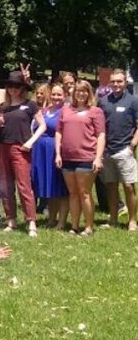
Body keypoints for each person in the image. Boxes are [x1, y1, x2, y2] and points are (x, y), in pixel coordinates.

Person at [0, 70, 44, 236]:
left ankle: (31, 222)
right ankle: (11, 220)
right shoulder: (3, 107)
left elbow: (42, 126)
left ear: (22, 88)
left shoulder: (30, 105)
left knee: (24, 185)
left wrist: (31, 141)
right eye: (10, 86)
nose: (13, 89)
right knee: (5, 186)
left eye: (17, 86)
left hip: (20, 148)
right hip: (3, 147)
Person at [56, 79, 105, 236]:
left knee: (84, 192)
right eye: (78, 91)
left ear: (89, 93)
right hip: (67, 157)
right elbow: (59, 132)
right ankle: (75, 226)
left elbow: (101, 135)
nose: (81, 94)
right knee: (73, 193)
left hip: (86, 156)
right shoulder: (65, 110)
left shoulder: (96, 111)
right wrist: (58, 153)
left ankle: (89, 226)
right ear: (73, 93)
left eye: (84, 91)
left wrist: (98, 158)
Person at [98, 69, 138, 231]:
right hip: (107, 151)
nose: (116, 84)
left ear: (125, 82)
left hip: (125, 150)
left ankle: (133, 221)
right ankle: (113, 219)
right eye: (113, 81)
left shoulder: (133, 101)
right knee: (111, 186)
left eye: (119, 81)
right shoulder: (103, 101)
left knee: (129, 186)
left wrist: (132, 146)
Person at [31, 84, 68, 230]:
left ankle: (62, 221)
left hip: (56, 150)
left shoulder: (66, 111)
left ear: (65, 95)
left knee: (61, 187)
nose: (56, 97)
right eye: (54, 94)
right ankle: (51, 219)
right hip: (40, 151)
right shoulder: (44, 110)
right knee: (51, 186)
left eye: (59, 94)